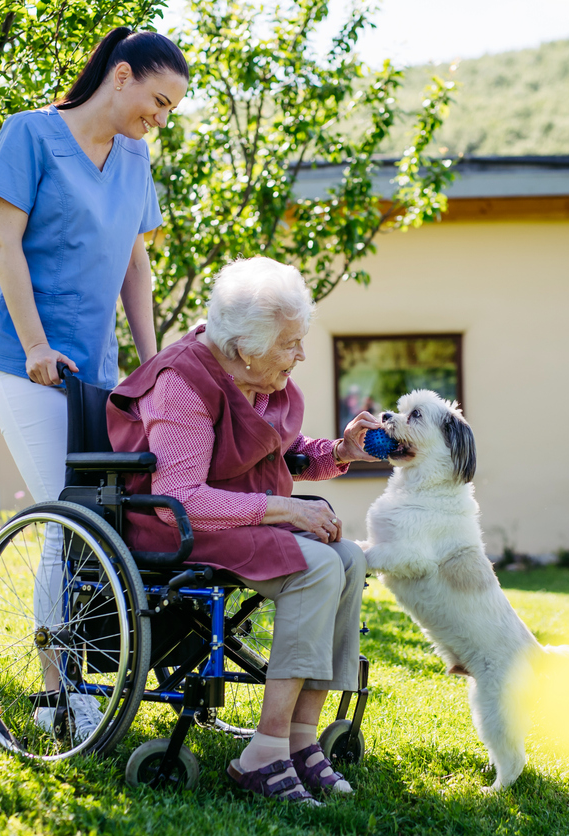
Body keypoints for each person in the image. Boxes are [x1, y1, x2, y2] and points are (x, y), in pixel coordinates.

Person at [108, 257, 383, 804]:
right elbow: (179, 500)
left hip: (235, 517)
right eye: (290, 344)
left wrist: (342, 451)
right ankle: (263, 751)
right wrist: (286, 512)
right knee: (317, 567)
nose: (301, 355)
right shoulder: (183, 380)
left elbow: (287, 455)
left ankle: (302, 741)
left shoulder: (260, 377)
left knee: (348, 558)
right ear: (243, 347)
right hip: (178, 529)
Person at [0, 28, 188, 725]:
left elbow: (136, 267)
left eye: (169, 110)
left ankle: (83, 680)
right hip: (22, 360)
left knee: (98, 518)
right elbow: (4, 242)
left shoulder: (135, 160)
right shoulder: (30, 135)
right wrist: (36, 345)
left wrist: (153, 364)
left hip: (92, 370)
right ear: (121, 76)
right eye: (156, 101)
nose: (158, 118)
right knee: (66, 517)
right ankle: (55, 696)